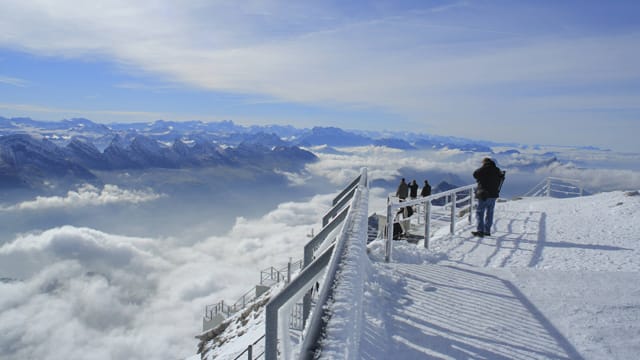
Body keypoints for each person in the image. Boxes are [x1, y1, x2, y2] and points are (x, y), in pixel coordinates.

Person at [472, 158, 504, 237]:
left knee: (480, 212)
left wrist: (483, 167)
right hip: (493, 195)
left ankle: (480, 231)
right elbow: (501, 179)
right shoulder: (497, 170)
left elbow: (475, 174)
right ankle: (487, 231)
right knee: (490, 213)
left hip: (483, 194)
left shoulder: (483, 169)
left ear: (484, 163)